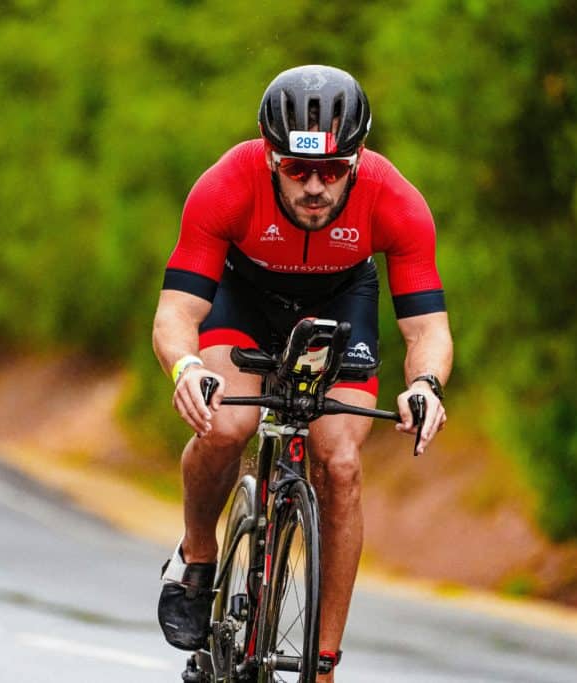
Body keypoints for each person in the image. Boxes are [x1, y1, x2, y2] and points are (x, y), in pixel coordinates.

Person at [153, 64, 453, 681]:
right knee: (228, 424)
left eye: (333, 170)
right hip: (245, 300)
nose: (315, 186)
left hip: (340, 305)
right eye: (297, 169)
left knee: (339, 464)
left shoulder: (395, 199)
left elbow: (427, 329)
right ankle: (197, 554)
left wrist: (425, 385)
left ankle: (322, 665)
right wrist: (186, 367)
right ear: (270, 158)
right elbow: (176, 313)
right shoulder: (226, 186)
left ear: (358, 157)